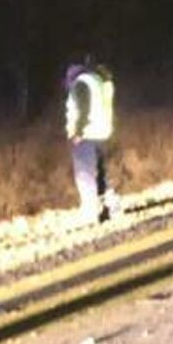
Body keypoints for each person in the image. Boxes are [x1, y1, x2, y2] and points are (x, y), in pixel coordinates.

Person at [63, 52, 117, 222]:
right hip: (102, 133)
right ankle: (112, 206)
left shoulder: (80, 84)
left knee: (84, 173)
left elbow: (82, 109)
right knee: (101, 174)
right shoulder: (98, 81)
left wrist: (78, 132)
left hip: (86, 135)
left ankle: (90, 210)